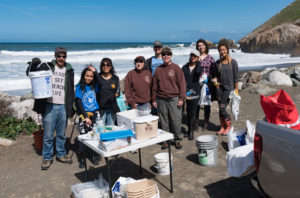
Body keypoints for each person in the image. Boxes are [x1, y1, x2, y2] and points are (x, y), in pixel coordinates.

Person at [38, 47, 74, 170]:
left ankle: (61, 154)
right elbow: (32, 73)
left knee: (61, 134)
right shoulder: (47, 67)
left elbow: (70, 89)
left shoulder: (69, 69)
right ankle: (47, 158)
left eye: (63, 56)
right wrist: (34, 63)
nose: (61, 58)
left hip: (63, 105)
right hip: (49, 105)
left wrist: (71, 106)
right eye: (59, 56)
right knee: (48, 135)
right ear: (55, 56)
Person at [152, 46, 186, 149]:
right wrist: (153, 99)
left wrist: (181, 98)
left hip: (174, 98)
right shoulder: (158, 70)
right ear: (161, 56)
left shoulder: (176, 68)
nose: (166, 56)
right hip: (161, 99)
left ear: (171, 55)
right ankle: (166, 140)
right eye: (164, 54)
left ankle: (178, 139)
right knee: (164, 121)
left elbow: (182, 84)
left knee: (175, 120)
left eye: (168, 54)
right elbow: (154, 86)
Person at [75, 66, 101, 168]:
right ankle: (82, 158)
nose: (89, 78)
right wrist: (85, 117)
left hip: (95, 113)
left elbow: (101, 83)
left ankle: (94, 155)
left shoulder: (95, 86)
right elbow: (78, 102)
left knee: (95, 135)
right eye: (87, 76)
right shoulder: (79, 87)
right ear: (83, 75)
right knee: (83, 137)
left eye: (91, 76)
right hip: (84, 115)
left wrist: (96, 72)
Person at [212, 41, 239, 136]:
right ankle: (222, 127)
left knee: (223, 109)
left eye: (224, 49)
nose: (222, 51)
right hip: (219, 89)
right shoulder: (217, 63)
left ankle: (228, 126)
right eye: (220, 50)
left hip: (229, 89)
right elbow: (214, 76)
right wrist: (215, 82)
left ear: (227, 50)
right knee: (220, 109)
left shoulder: (233, 62)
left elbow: (236, 77)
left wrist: (236, 90)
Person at [182, 50, 203, 140]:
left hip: (195, 92)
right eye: (192, 55)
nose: (193, 57)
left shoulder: (199, 67)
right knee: (187, 111)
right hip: (185, 92)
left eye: (195, 56)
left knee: (193, 112)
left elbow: (198, 72)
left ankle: (191, 131)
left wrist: (198, 63)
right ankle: (189, 129)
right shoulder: (185, 67)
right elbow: (181, 79)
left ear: (198, 58)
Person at [196, 39, 215, 131]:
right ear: (197, 47)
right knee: (196, 103)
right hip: (197, 83)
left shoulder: (210, 58)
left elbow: (214, 70)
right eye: (199, 45)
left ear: (205, 46)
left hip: (207, 84)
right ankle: (196, 123)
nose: (201, 47)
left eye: (202, 45)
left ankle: (206, 123)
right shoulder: (195, 57)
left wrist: (210, 78)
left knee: (207, 104)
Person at [95, 58, 120, 125]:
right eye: (103, 65)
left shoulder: (115, 78)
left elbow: (118, 93)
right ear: (101, 66)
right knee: (100, 129)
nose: (105, 67)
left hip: (112, 107)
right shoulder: (97, 78)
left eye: (108, 65)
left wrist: (111, 96)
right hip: (100, 109)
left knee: (110, 128)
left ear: (111, 67)